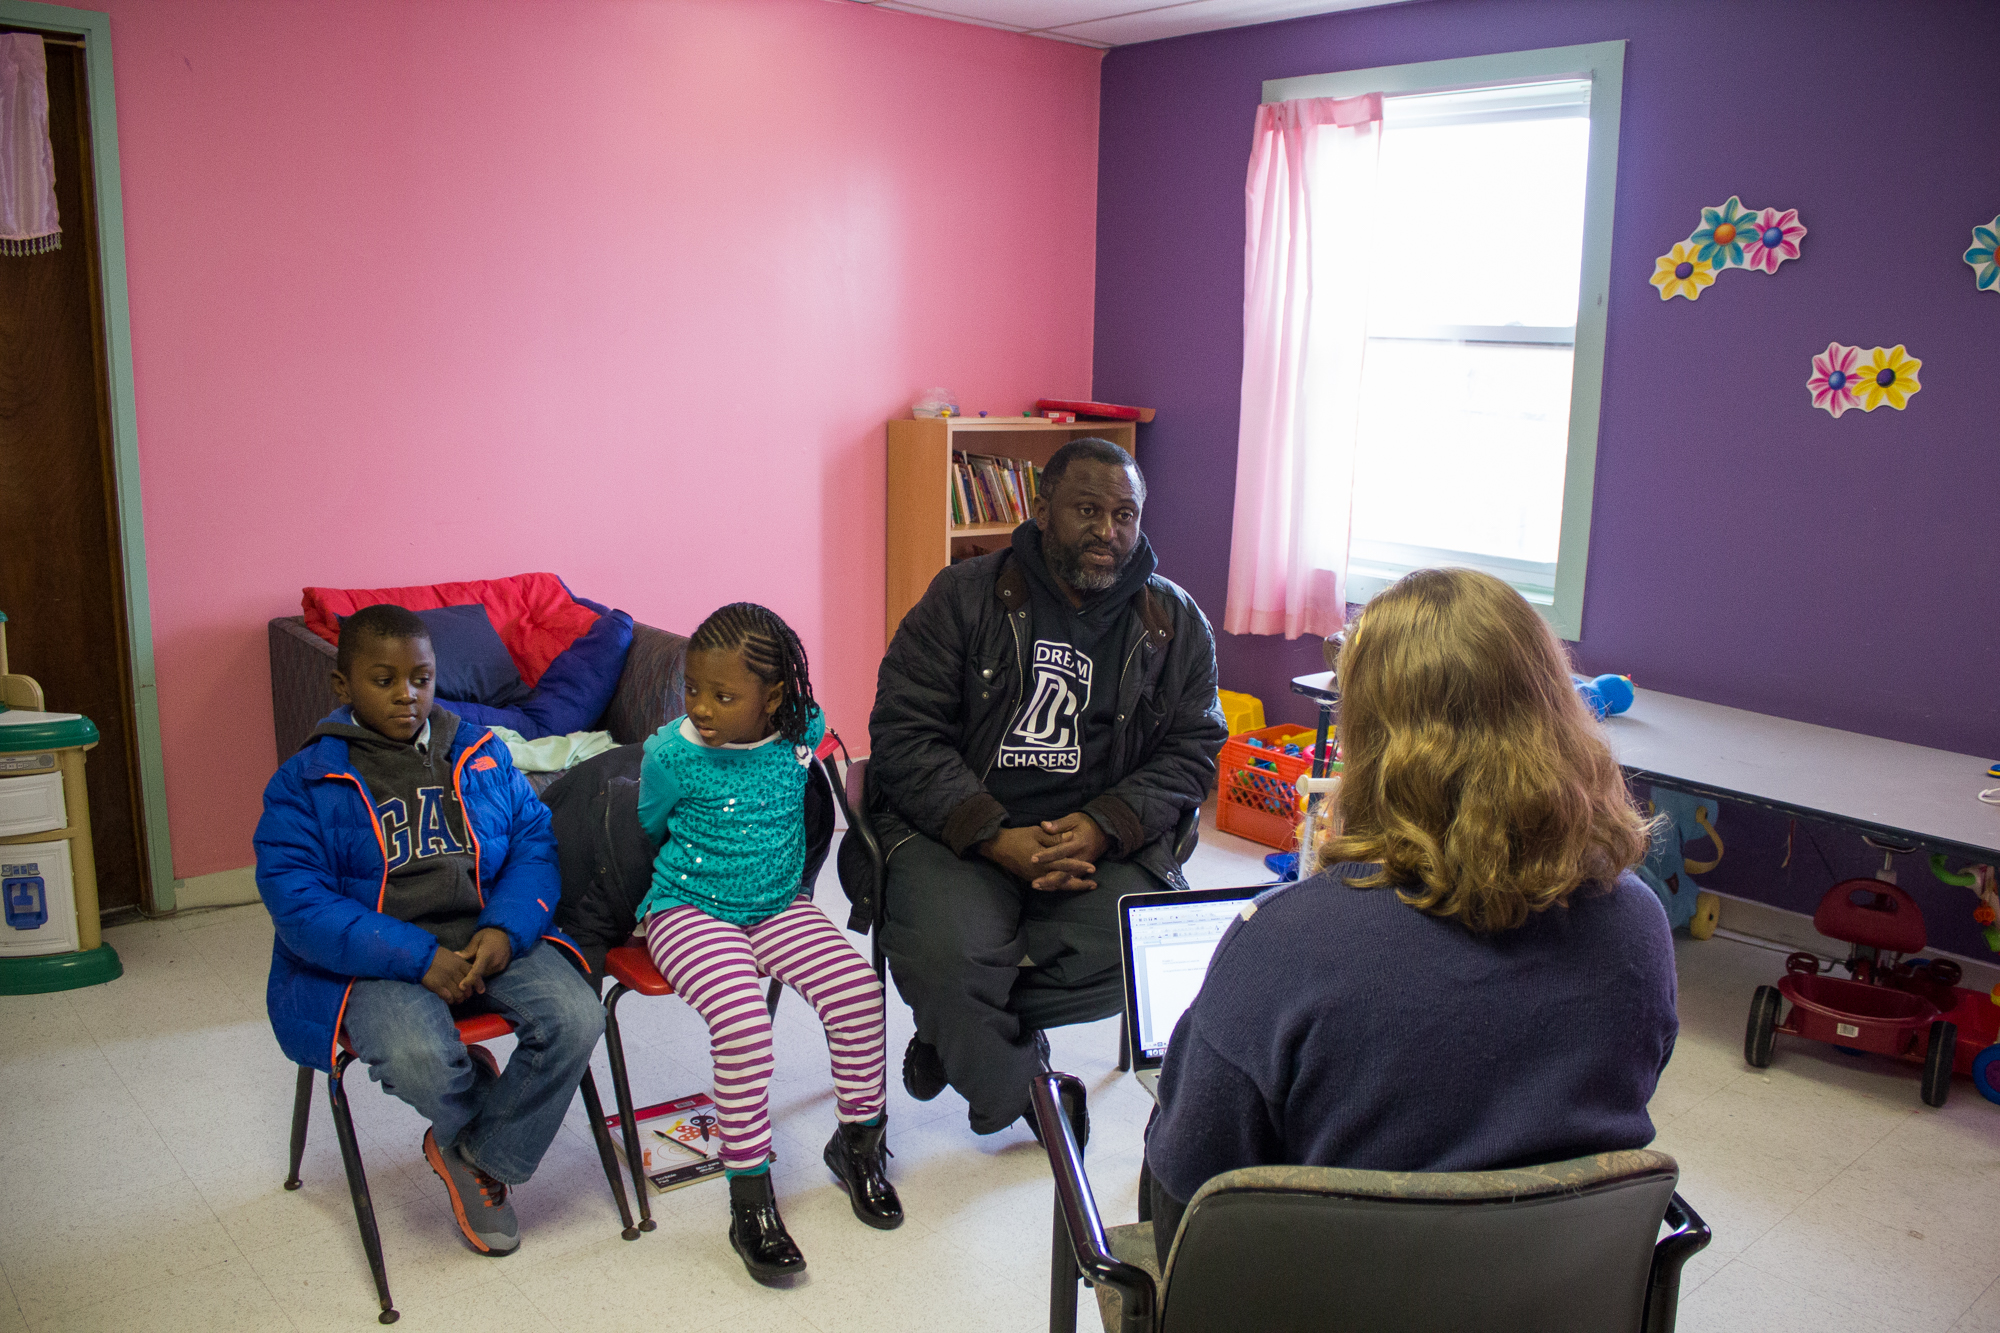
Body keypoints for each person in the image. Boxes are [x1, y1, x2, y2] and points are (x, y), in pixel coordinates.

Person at [1143, 568, 1679, 1267]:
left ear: (1371, 739)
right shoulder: (1637, 921)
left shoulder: (1283, 939)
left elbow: (1186, 1184)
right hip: (1551, 1298)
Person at [869, 437, 1226, 1137]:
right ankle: (1028, 1091)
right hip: (960, 833)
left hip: (1094, 840)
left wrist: (1104, 822)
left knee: (1155, 950)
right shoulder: (964, 596)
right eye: (1087, 509)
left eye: (1124, 514)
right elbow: (903, 732)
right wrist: (994, 833)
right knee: (948, 956)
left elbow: (1194, 749)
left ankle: (955, 1030)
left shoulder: (1174, 621)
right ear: (1040, 510)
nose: (1107, 530)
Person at [255, 604, 604, 1257]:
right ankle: (479, 1118)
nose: (406, 694)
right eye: (383, 679)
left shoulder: (478, 750)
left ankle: (473, 1153)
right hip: (374, 954)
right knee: (415, 1052)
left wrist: (507, 926)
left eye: (421, 677)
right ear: (342, 686)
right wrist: (417, 956)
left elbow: (533, 842)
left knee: (577, 1016)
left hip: (483, 934)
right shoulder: (304, 781)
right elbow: (299, 903)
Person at [636, 603, 898, 1284]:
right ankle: (749, 1198)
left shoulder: (801, 729)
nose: (702, 707)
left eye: (724, 695)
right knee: (746, 1025)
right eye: (693, 689)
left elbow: (817, 785)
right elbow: (647, 824)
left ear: (775, 696)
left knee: (859, 993)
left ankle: (859, 1147)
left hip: (779, 907)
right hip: (690, 910)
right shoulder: (671, 753)